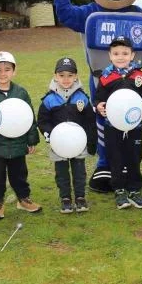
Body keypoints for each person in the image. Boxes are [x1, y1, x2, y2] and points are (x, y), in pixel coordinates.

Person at [49, 0, 142, 193]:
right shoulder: (91, 12)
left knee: (131, 121)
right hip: (101, 81)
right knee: (104, 120)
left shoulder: (137, 14)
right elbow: (67, 15)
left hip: (132, 84)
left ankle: (130, 166)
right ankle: (106, 163)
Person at [0, 51, 42, 220]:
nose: (2, 73)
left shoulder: (20, 92)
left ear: (14, 71)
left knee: (19, 174)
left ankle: (23, 199)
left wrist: (31, 138)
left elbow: (29, 116)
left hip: (18, 143)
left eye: (7, 69)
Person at [94, 36, 142, 210]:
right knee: (116, 157)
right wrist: (99, 105)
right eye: (116, 53)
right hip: (112, 127)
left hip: (135, 127)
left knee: (135, 156)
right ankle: (119, 189)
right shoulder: (105, 77)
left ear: (132, 55)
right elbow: (98, 98)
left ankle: (135, 189)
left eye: (125, 53)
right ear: (110, 56)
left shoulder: (140, 76)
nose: (120, 57)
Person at [37, 57, 98, 214]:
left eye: (70, 75)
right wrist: (49, 134)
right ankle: (65, 198)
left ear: (76, 76)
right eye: (62, 75)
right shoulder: (49, 99)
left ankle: (80, 197)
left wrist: (91, 142)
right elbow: (43, 121)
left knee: (79, 171)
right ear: (55, 76)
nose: (65, 79)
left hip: (79, 144)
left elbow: (90, 121)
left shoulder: (82, 98)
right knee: (62, 172)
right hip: (59, 144)